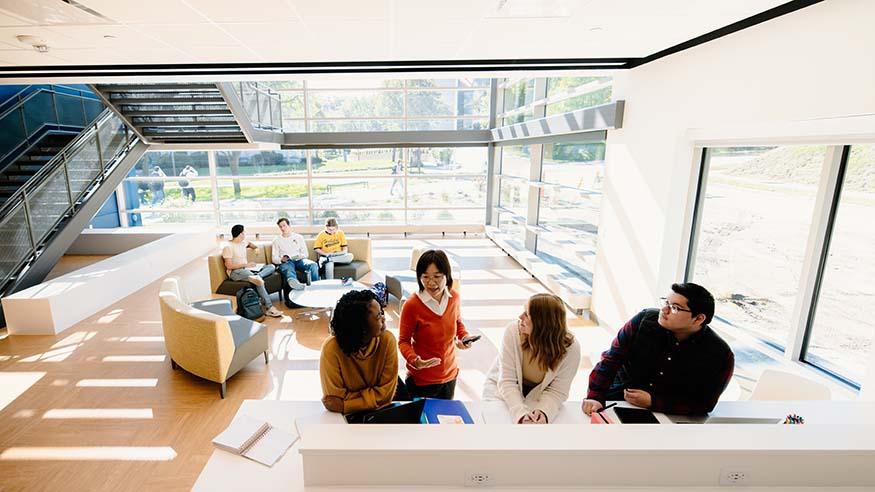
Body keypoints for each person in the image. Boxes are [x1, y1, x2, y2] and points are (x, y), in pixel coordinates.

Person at [582, 283, 734, 416]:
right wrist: (595, 397)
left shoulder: (720, 354)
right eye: (666, 302)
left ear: (699, 318)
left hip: (670, 416)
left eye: (675, 308)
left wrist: (653, 402)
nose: (664, 310)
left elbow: (705, 403)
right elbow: (611, 360)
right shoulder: (643, 320)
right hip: (615, 401)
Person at [483, 293, 581, 424]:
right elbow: (507, 381)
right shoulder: (513, 331)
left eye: (527, 314)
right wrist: (520, 413)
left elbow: (558, 390)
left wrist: (544, 412)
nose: (520, 317)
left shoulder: (571, 349)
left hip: (539, 396)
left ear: (542, 323)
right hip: (503, 392)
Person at [398, 249, 473, 399]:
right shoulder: (412, 305)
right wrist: (414, 360)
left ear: (447, 275)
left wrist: (464, 337)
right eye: (425, 277)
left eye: (437, 277)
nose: (431, 283)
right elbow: (403, 341)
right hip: (421, 381)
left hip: (450, 377)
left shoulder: (454, 298)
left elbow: (457, 321)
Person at [320, 290, 405, 414]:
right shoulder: (331, 349)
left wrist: (346, 405)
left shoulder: (387, 340)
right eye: (378, 316)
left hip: (383, 410)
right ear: (360, 325)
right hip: (352, 415)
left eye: (381, 312)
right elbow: (334, 398)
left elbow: (386, 395)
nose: (383, 318)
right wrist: (375, 396)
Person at [222, 224, 283, 318]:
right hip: (236, 272)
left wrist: (256, 248)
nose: (245, 234)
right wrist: (246, 265)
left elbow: (250, 244)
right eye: (244, 233)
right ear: (240, 234)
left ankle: (258, 275)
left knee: (271, 267)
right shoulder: (228, 247)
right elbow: (229, 265)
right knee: (258, 280)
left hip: (247, 270)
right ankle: (269, 308)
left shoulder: (243, 242)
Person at [271, 217, 319, 290]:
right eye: (280, 227)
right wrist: (281, 259)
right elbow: (274, 259)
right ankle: (294, 283)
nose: (282, 228)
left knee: (313, 265)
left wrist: (299, 256)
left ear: (289, 225)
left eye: (284, 226)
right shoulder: (276, 240)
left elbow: (305, 254)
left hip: (299, 260)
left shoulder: (299, 237)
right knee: (288, 268)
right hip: (286, 262)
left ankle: (316, 287)